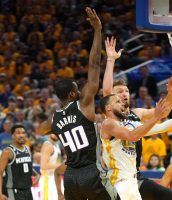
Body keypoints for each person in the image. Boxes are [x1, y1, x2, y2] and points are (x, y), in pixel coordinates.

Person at [37, 8, 111, 200]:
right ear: (72, 93)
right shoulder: (83, 104)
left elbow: (39, 130)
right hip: (91, 171)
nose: (80, 90)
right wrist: (97, 31)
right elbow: (94, 65)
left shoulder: (53, 119)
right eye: (77, 88)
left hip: (70, 177)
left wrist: (58, 121)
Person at [103, 37, 172, 200]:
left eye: (126, 91)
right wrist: (110, 60)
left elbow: (164, 112)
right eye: (119, 91)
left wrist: (171, 94)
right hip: (117, 175)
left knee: (168, 196)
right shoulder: (111, 117)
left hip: (134, 173)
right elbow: (107, 91)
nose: (124, 94)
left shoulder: (137, 112)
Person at [100, 95, 172, 200]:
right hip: (118, 181)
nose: (122, 103)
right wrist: (156, 117)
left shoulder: (129, 126)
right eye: (117, 101)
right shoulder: (108, 123)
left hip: (132, 180)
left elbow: (161, 127)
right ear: (108, 108)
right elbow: (132, 136)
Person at [0, 124, 33, 200]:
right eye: (18, 133)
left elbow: (26, 165)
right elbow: (0, 172)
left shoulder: (27, 149)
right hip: (14, 191)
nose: (21, 135)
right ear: (12, 136)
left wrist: (36, 174)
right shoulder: (7, 152)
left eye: (23, 133)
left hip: (28, 190)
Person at [39, 134, 61, 200]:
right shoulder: (47, 145)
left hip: (55, 178)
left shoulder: (56, 145)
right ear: (49, 133)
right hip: (47, 179)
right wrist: (62, 165)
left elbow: (56, 163)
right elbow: (43, 165)